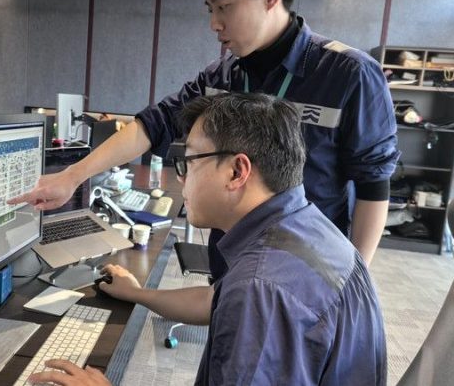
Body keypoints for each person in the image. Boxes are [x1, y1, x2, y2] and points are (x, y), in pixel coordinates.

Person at [8, 0, 398, 268]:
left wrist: (352, 281)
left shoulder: (349, 74)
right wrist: (73, 176)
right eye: (210, 10)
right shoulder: (222, 77)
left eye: (224, 6)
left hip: (307, 277)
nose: (214, 23)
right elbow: (155, 124)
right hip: (233, 267)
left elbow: (373, 186)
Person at [27, 93, 387, 385]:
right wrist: (137, 294)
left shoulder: (260, 286)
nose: (181, 178)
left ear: (237, 171)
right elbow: (216, 300)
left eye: (189, 161)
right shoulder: (306, 228)